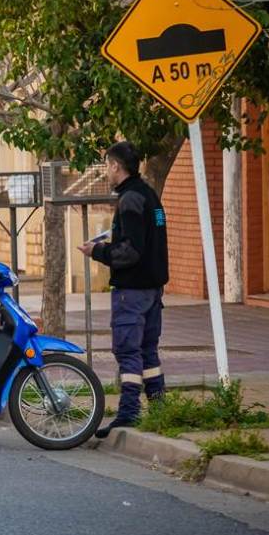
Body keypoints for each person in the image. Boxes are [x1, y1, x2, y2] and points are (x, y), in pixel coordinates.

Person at [78, 141, 168, 439]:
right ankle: (160, 409)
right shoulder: (150, 196)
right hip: (154, 289)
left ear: (116, 166)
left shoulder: (130, 199)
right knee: (147, 351)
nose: (105, 172)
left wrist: (98, 251)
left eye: (106, 165)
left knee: (127, 350)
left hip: (132, 290)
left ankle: (129, 412)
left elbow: (130, 251)